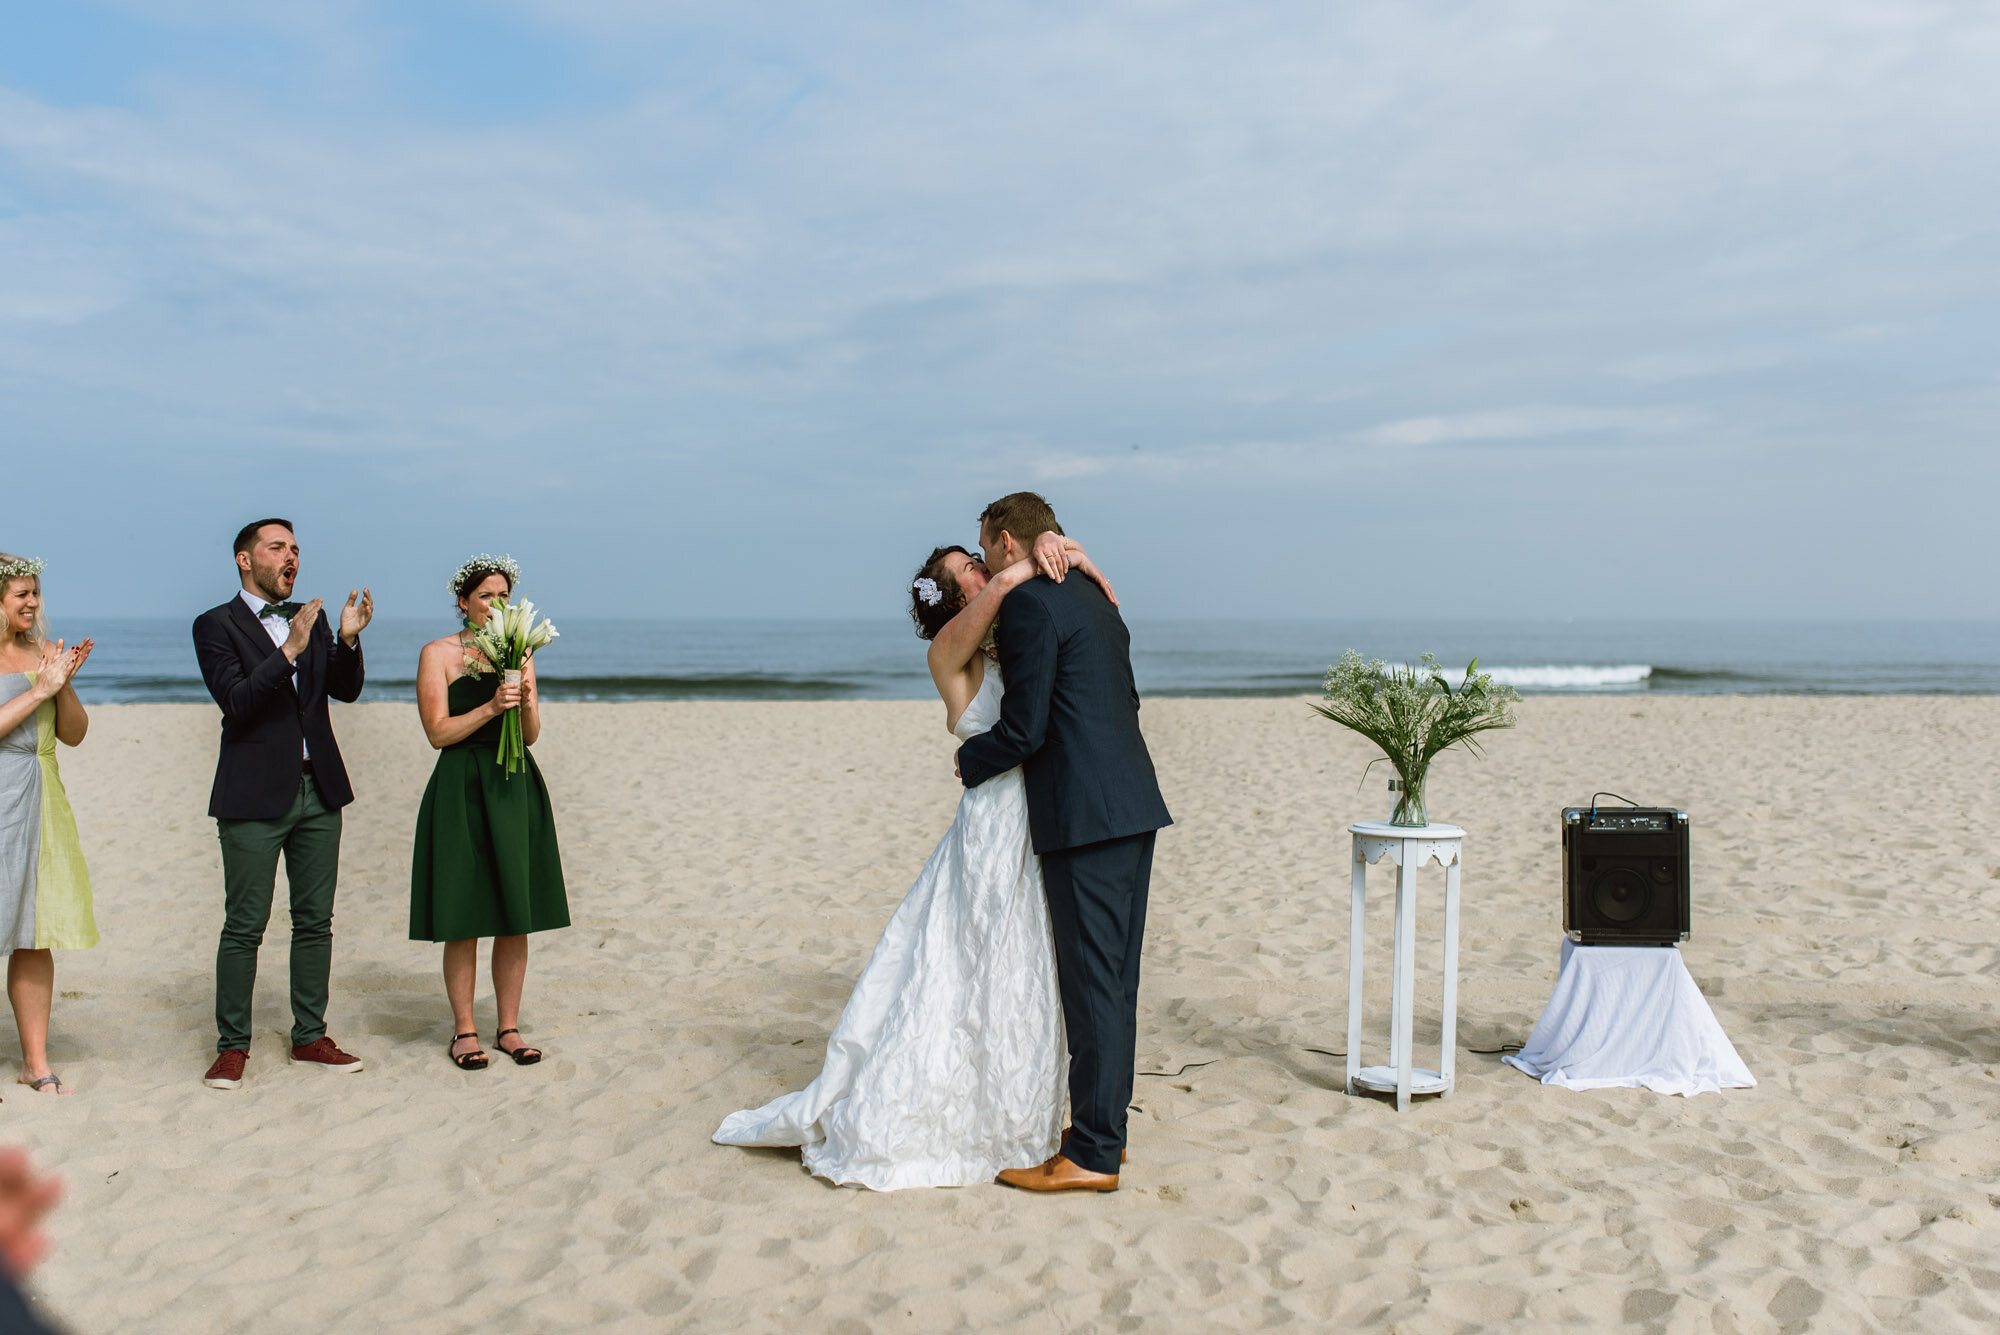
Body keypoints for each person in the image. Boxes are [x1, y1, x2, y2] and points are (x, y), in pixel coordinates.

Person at [713, 526, 1114, 1190]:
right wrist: (1026, 561)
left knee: (1023, 964)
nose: (988, 570)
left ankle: (1022, 1108)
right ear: (956, 597)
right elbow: (1011, 598)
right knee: (972, 957)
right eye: (972, 571)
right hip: (994, 821)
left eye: (983, 562)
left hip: (1038, 813)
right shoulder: (947, 650)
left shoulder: (1012, 634)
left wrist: (1060, 544)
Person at [958, 492, 1172, 1193]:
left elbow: (1025, 729)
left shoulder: (1026, 606)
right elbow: (1125, 697)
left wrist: (970, 762)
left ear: (1009, 539)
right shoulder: (1095, 595)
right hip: (1132, 803)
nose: (987, 564)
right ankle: (1101, 1131)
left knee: (1092, 989)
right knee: (1116, 984)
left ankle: (1092, 1154)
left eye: (987, 548)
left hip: (1084, 818)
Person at [190, 519, 372, 1090]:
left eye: (295, 548)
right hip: (251, 794)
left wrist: (344, 639)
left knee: (315, 921)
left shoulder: (311, 622)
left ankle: (310, 1036)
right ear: (246, 560)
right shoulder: (213, 625)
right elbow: (238, 702)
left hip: (319, 788)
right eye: (277, 547)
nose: (290, 556)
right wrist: (290, 648)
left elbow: (344, 690)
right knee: (245, 926)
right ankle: (232, 1047)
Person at [410, 555, 569, 1071]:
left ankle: (508, 1027)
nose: (496, 605)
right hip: (460, 783)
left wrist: (521, 703)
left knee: (513, 912)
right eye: (485, 597)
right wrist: (487, 708)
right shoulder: (437, 654)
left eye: (504, 596)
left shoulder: (521, 654)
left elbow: (530, 735)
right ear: (463, 602)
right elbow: (438, 733)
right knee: (463, 914)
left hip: (514, 782)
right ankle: (463, 1030)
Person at [0, 555, 97, 1097]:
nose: (33, 604)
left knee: (32, 934)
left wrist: (62, 684)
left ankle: (35, 1062)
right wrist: (38, 689)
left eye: (35, 593)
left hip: (40, 799)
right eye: (21, 594)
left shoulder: (44, 654)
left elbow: (76, 734)